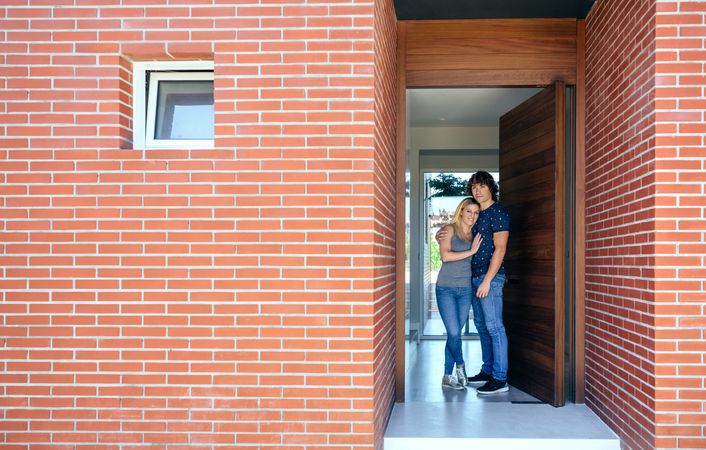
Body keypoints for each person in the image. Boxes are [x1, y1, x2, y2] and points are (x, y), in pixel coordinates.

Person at [437, 171, 510, 395]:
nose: (477, 190)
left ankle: (499, 378)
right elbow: (458, 233)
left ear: (491, 188)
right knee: (481, 326)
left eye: (482, 186)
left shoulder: (498, 213)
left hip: (489, 279)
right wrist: (441, 234)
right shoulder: (479, 216)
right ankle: (487, 370)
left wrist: (488, 280)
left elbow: (500, 248)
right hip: (473, 279)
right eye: (474, 187)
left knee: (495, 326)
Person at [435, 197, 483, 390]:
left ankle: (447, 376)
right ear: (461, 211)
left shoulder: (475, 235)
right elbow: (445, 256)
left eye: (476, 212)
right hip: (445, 288)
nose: (472, 215)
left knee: (454, 335)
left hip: (465, 290)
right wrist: (471, 252)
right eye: (469, 211)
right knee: (454, 332)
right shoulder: (448, 229)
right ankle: (460, 366)